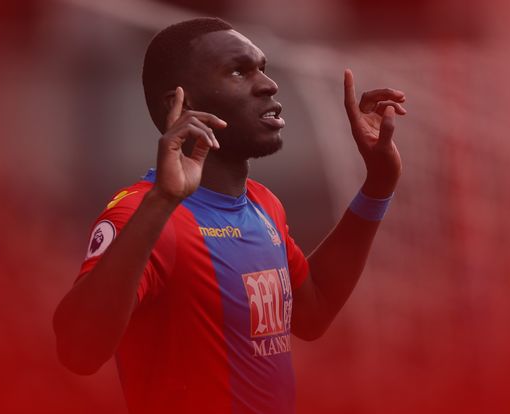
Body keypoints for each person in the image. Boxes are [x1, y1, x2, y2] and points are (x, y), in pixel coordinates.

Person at [53, 17, 405, 414]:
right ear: (180, 105)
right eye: (239, 71)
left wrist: (378, 185)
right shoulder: (140, 212)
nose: (269, 85)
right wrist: (162, 201)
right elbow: (78, 352)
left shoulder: (262, 204)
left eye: (262, 68)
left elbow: (313, 312)